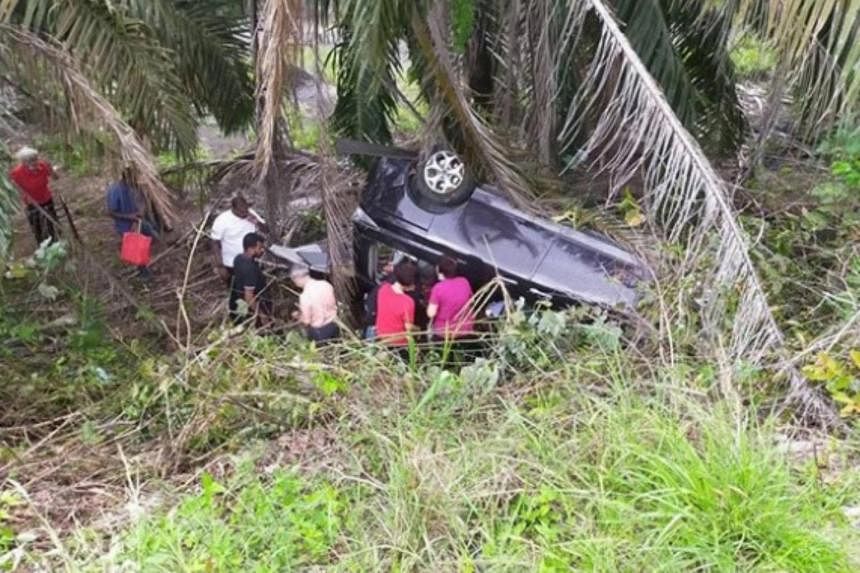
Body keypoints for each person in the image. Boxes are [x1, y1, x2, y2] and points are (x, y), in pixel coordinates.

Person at [106, 166, 157, 279]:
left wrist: (141, 212)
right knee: (137, 249)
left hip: (138, 221)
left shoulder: (135, 186)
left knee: (152, 236)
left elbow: (143, 201)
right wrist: (130, 217)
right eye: (135, 177)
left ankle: (146, 258)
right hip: (125, 225)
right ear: (127, 177)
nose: (137, 179)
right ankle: (143, 273)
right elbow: (111, 212)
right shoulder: (115, 190)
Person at [8, 146, 59, 246]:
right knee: (36, 226)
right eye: (30, 160)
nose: (34, 162)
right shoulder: (17, 173)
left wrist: (52, 170)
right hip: (31, 203)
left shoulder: (43, 166)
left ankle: (54, 241)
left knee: (50, 222)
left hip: (46, 198)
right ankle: (41, 244)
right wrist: (25, 196)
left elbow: (56, 178)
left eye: (35, 159)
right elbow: (14, 187)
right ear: (23, 162)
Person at [211, 196, 266, 286]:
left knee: (256, 286)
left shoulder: (251, 213)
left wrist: (256, 221)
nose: (244, 213)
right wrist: (220, 266)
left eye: (246, 210)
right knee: (238, 291)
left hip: (253, 259)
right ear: (233, 209)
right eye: (241, 211)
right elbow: (215, 243)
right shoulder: (222, 220)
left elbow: (266, 230)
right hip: (232, 263)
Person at [427, 256, 475, 340]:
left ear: (440, 272)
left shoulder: (438, 288)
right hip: (464, 329)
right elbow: (472, 300)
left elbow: (431, 313)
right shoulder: (464, 281)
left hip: (444, 332)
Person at [229, 232, 272, 325]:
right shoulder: (250, 269)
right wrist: (261, 314)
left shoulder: (238, 258)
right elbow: (249, 297)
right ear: (251, 248)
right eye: (259, 248)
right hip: (254, 306)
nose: (262, 250)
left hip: (240, 300)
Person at [290, 265, 339, 343]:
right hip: (334, 325)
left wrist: (298, 316)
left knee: (323, 353)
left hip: (319, 332)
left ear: (297, 278)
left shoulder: (305, 296)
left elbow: (307, 321)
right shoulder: (326, 284)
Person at [375, 260, 418, 349]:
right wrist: (418, 329)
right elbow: (408, 328)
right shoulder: (408, 302)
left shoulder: (383, 289)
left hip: (381, 335)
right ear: (410, 285)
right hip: (398, 342)